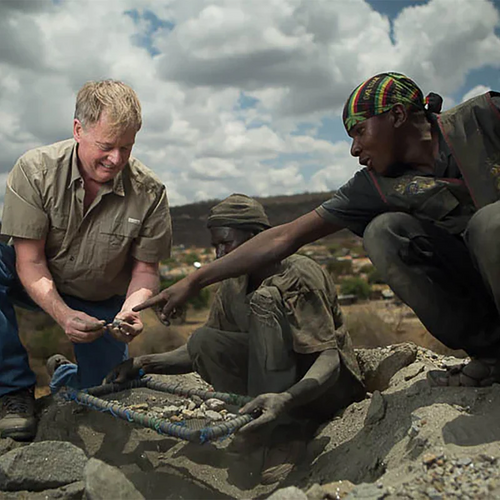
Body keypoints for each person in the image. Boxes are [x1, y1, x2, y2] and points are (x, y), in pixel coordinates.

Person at [134, 72, 500, 388]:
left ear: (398, 116)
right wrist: (194, 281)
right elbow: (285, 236)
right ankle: (491, 356)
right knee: (383, 232)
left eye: (359, 131)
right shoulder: (375, 185)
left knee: (489, 223)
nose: (355, 149)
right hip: (478, 285)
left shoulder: (486, 117)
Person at [107, 194, 365, 483]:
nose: (220, 254)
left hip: (323, 391)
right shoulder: (233, 281)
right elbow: (201, 350)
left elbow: (329, 359)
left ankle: (286, 433)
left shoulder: (298, 275)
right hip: (274, 390)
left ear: (256, 238)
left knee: (266, 300)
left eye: (226, 243)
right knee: (204, 339)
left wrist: (286, 399)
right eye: (215, 246)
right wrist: (143, 363)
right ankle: (260, 424)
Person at [0, 80, 172, 440]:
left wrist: (132, 310)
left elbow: (146, 270)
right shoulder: (35, 170)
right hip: (32, 280)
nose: (116, 159)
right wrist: (63, 315)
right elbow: (30, 261)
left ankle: (65, 375)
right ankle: (12, 389)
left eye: (126, 147)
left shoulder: (150, 191)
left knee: (104, 396)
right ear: (78, 130)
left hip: (100, 300)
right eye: (106, 146)